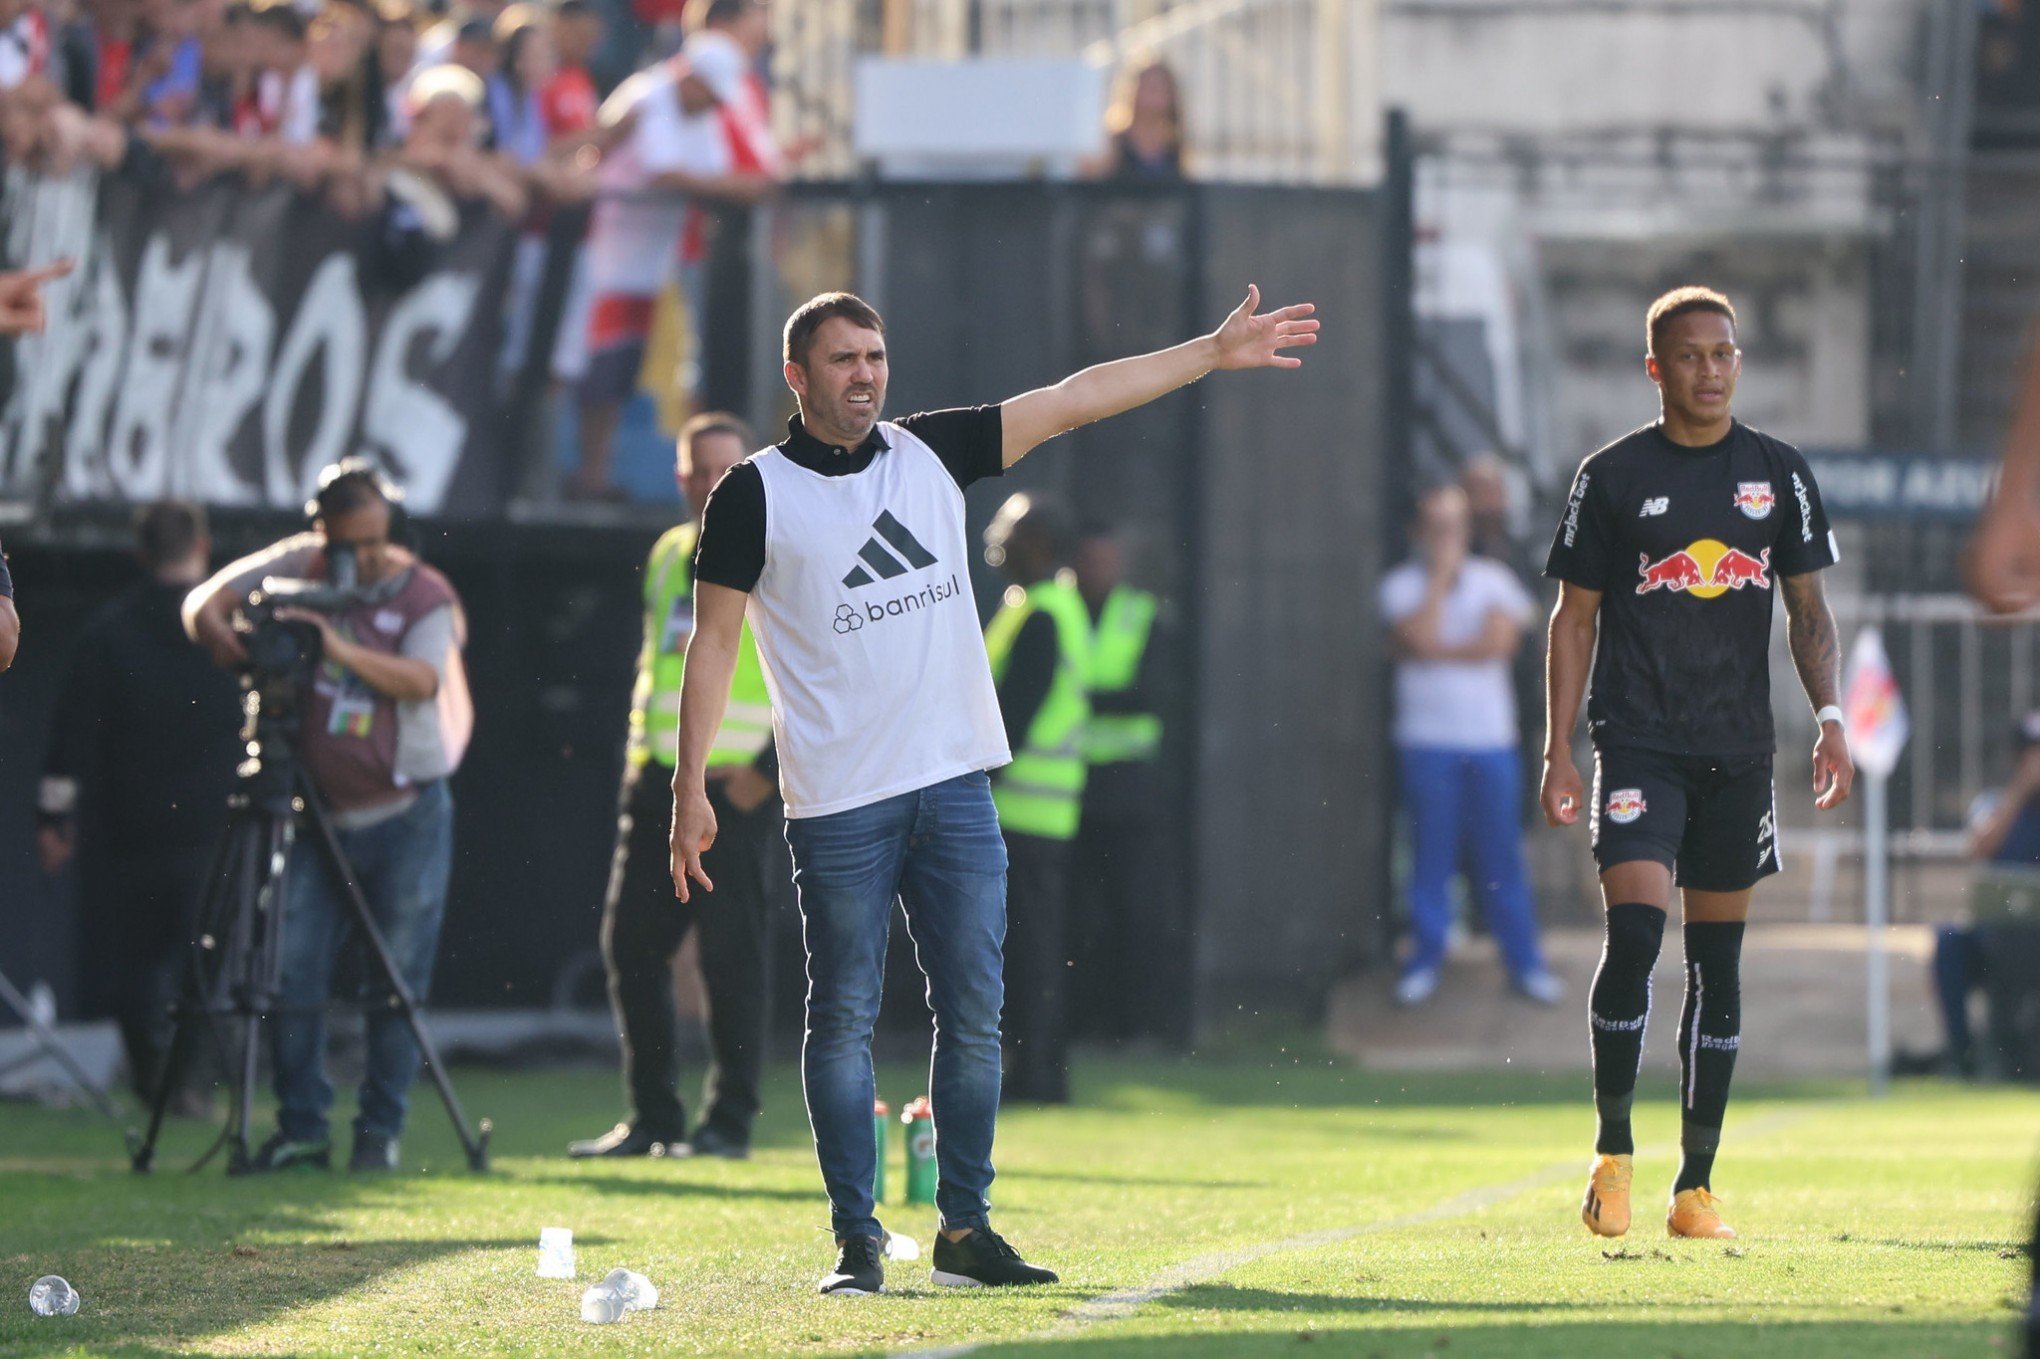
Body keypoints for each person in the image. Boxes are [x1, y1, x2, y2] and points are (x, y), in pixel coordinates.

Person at [669, 285, 1315, 1295]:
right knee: (841, 1018)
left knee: (973, 1014)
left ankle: (965, 1230)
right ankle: (856, 1241)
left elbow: (1077, 396)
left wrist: (1209, 351)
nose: (866, 375)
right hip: (838, 801)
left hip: (955, 792)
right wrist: (690, 791)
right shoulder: (751, 494)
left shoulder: (933, 451)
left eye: (876, 355)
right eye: (843, 360)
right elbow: (711, 648)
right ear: (796, 378)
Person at [1542, 285, 1853, 1242]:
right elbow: (1576, 616)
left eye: (1724, 353)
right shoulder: (1611, 476)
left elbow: (1807, 613)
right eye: (1691, 356)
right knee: (1636, 934)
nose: (1711, 370)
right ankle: (1613, 1154)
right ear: (1656, 369)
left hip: (1737, 751)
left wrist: (1830, 716)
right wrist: (1558, 748)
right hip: (1637, 740)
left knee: (1718, 964)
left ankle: (1696, 1186)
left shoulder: (1779, 473)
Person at [182, 460, 473, 1173]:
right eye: (347, 544)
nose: (361, 560)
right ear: (322, 533)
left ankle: (380, 1130)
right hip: (313, 811)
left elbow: (422, 680)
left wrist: (332, 642)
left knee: (395, 982)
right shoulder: (300, 565)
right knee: (291, 967)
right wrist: (226, 639)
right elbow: (201, 604)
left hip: (404, 811)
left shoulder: (424, 592)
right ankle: (303, 1125)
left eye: (374, 542)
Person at [569, 411, 782, 1161]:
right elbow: (659, 665)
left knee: (732, 959)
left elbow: (816, 670)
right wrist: (643, 758)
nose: (712, 482)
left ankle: (728, 1124)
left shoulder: (775, 547)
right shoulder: (668, 552)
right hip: (661, 784)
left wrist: (770, 774)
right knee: (629, 948)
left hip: (736, 790)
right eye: (700, 469)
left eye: (727, 468)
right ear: (682, 476)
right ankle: (653, 1117)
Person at [37, 501, 240, 1112]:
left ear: (139, 553)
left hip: (129, 830)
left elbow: (68, 740)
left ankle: (155, 1081)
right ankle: (188, 1084)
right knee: (205, 963)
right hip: (216, 828)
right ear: (203, 547)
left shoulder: (107, 633)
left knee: (133, 969)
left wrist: (53, 821)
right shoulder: (233, 631)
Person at [1382, 484, 1562, 1007]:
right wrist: (1439, 581)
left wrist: (1434, 649)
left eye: (1454, 528)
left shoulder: (1495, 580)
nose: (1447, 539)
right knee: (1429, 857)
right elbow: (1415, 635)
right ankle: (1424, 962)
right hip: (1426, 742)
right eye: (1436, 528)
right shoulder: (1399, 585)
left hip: (1490, 743)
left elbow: (1498, 644)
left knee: (1500, 856)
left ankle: (1525, 965)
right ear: (1418, 533)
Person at [981, 493, 1090, 1104]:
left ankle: (1040, 1073)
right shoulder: (1039, 607)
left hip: (1024, 811)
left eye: (1014, 531)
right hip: (1037, 812)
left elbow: (1014, 716)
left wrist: (974, 786)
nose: (999, 538)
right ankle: (1036, 1068)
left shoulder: (1042, 613)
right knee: (1030, 948)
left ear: (1042, 545)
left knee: (1030, 952)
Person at [1069, 523, 1182, 1043]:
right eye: (1089, 560)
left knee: (1135, 912)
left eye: (1106, 560)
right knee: (1075, 914)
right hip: (1067, 785)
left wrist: (1076, 698)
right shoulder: (1054, 609)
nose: (1098, 571)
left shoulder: (1140, 617)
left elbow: (1151, 693)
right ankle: (1083, 1021)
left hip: (1130, 790)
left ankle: (1137, 1025)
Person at [1080, 56, 1184, 181]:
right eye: (1149, 87)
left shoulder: (1175, 148)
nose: (1154, 96)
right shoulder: (1113, 146)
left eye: (1161, 88)